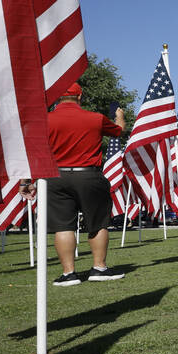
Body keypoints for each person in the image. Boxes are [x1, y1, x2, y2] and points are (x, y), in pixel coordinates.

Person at [20, 82, 126, 286]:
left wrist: (26, 180)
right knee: (98, 223)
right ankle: (99, 268)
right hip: (88, 176)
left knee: (63, 226)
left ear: (58, 97)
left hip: (55, 177)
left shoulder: (44, 120)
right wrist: (120, 118)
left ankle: (69, 274)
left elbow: (34, 152)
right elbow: (118, 132)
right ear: (80, 96)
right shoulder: (96, 118)